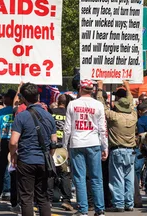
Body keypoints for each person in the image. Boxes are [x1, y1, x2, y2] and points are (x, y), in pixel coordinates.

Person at [9, 83, 56, 216]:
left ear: (23, 98)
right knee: (43, 198)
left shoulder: (21, 117)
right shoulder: (49, 116)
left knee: (26, 198)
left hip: (26, 159)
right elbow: (54, 142)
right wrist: (49, 156)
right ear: (38, 96)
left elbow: (13, 141)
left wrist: (13, 155)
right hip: (43, 160)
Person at [63, 79, 108, 216]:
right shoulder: (98, 105)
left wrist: (65, 146)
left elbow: (67, 128)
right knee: (96, 178)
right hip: (94, 142)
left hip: (77, 143)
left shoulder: (72, 104)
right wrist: (105, 147)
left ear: (80, 89)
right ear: (92, 90)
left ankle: (83, 209)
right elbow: (103, 128)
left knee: (79, 178)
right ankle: (99, 209)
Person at [96, 80, 137, 212]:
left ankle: (119, 203)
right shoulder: (133, 116)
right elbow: (130, 102)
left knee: (117, 178)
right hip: (131, 151)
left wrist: (99, 89)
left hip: (117, 150)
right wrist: (128, 87)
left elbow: (102, 106)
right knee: (129, 178)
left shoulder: (114, 116)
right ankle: (129, 203)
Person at [0, 89, 16, 210]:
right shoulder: (18, 112)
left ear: (10, 98)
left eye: (5, 97)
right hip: (15, 142)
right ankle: (15, 200)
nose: (3, 99)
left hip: (3, 142)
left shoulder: (0, 113)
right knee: (14, 171)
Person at [50, 94, 73, 211]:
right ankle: (66, 200)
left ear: (58, 101)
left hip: (52, 146)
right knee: (65, 174)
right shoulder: (69, 114)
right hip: (64, 147)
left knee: (49, 172)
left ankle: (48, 199)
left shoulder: (51, 112)